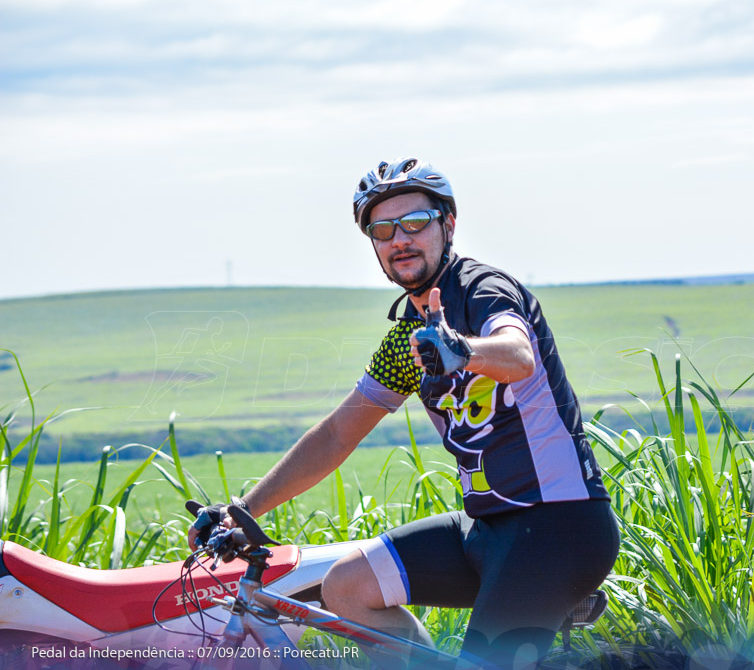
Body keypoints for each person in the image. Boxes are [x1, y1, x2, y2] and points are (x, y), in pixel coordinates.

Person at [188, 158, 619, 668]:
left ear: (448, 225)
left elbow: (518, 355)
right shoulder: (407, 340)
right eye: (383, 229)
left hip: (558, 527)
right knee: (347, 589)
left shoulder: (482, 291)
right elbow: (336, 436)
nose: (400, 240)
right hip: (487, 528)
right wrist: (243, 511)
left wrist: (460, 349)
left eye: (415, 222)